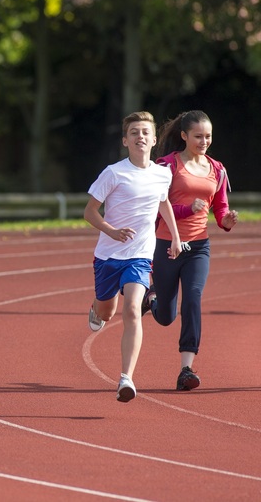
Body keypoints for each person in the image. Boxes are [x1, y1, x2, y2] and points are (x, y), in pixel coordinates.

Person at [84, 111, 182, 403]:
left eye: (145, 132)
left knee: (131, 310)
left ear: (154, 139)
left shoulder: (163, 173)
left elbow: (163, 203)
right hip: (108, 255)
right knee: (107, 312)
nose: (141, 136)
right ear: (125, 140)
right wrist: (111, 231)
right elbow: (90, 212)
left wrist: (176, 237)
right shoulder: (113, 173)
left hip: (139, 255)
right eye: (135, 132)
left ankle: (126, 378)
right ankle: (96, 307)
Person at [142, 110, 238, 391]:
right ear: (184, 136)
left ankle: (186, 368)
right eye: (198, 136)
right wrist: (187, 208)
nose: (204, 141)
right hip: (167, 245)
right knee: (166, 317)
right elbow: (156, 207)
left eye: (208, 136)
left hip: (198, 247)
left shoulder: (217, 169)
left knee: (193, 299)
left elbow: (219, 207)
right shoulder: (166, 166)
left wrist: (226, 221)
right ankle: (153, 299)